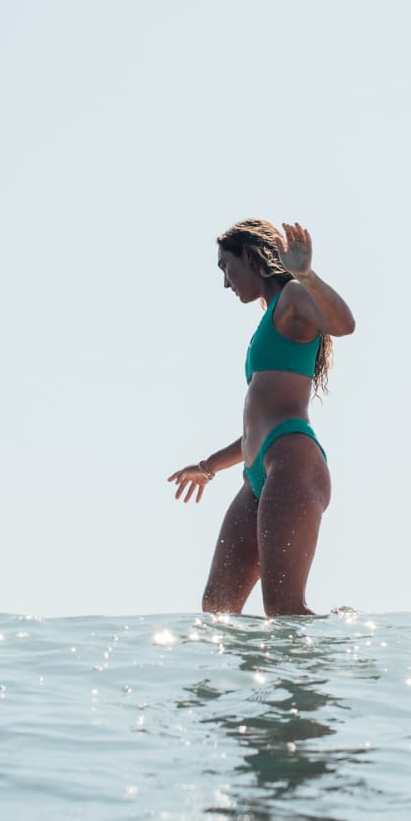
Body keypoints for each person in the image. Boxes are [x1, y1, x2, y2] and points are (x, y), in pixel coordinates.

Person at [167, 219, 357, 617]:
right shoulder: (269, 318)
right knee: (217, 608)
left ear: (251, 257)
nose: (225, 282)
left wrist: (305, 274)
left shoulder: (292, 296)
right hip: (258, 473)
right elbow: (254, 430)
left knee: (284, 609)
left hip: (292, 461)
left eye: (226, 267)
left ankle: (345, 645)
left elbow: (344, 325)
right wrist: (208, 466)